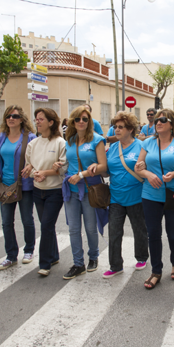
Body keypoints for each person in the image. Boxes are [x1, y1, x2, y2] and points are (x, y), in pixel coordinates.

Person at [135, 109, 174, 289]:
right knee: (153, 233)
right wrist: (148, 174)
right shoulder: (148, 142)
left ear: (171, 124)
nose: (158, 122)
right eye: (156, 120)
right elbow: (139, 166)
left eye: (163, 119)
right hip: (150, 195)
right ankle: (156, 271)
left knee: (172, 231)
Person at [59, 106, 106, 280]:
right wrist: (60, 166)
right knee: (73, 229)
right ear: (72, 121)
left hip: (89, 189)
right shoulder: (69, 140)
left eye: (85, 119)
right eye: (78, 119)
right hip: (70, 190)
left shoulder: (97, 140)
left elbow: (103, 166)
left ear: (90, 122)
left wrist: (82, 174)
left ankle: (93, 256)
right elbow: (68, 162)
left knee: (90, 228)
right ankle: (78, 263)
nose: (81, 122)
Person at [0, 105, 37, 270]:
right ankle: (10, 256)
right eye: (8, 116)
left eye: (15, 116)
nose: (11, 119)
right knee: (6, 222)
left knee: (26, 219)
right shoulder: (2, 136)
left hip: (24, 185)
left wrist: (31, 166)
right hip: (5, 184)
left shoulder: (30, 137)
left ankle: (29, 250)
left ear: (21, 119)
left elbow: (36, 158)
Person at [101, 111, 149, 278]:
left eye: (121, 127)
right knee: (114, 232)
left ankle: (142, 256)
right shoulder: (112, 148)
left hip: (136, 196)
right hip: (115, 197)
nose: (117, 130)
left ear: (130, 129)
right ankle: (115, 265)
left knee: (139, 229)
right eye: (115, 127)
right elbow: (106, 171)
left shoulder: (141, 146)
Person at [24, 108, 67, 277]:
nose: (37, 121)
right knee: (47, 225)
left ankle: (44, 263)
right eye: (36, 119)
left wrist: (45, 172)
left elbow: (63, 167)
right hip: (37, 190)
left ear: (51, 122)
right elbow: (30, 164)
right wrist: (33, 171)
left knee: (46, 225)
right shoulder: (32, 143)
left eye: (41, 119)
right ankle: (54, 255)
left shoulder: (59, 143)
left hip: (55, 191)